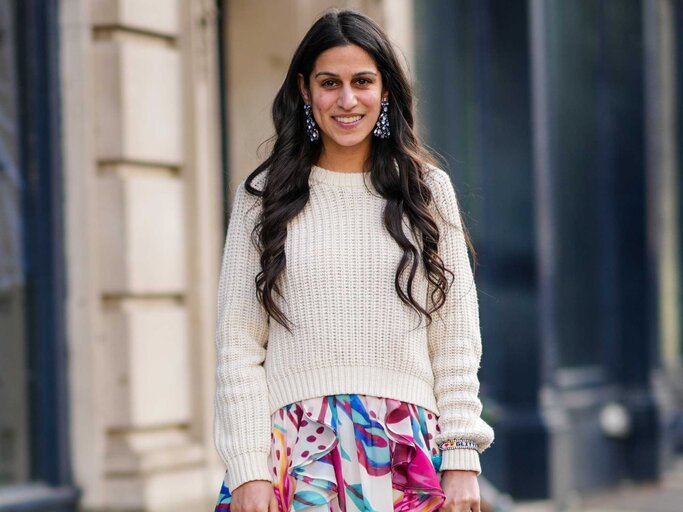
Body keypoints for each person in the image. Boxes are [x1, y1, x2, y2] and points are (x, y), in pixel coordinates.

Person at [213, 8, 494, 512]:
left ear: (385, 90)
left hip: (408, 452)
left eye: (363, 81)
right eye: (330, 83)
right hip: (295, 455)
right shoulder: (261, 198)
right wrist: (248, 469)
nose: (347, 100)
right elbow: (237, 349)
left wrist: (461, 454)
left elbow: (455, 337)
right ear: (305, 90)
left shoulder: (426, 192)